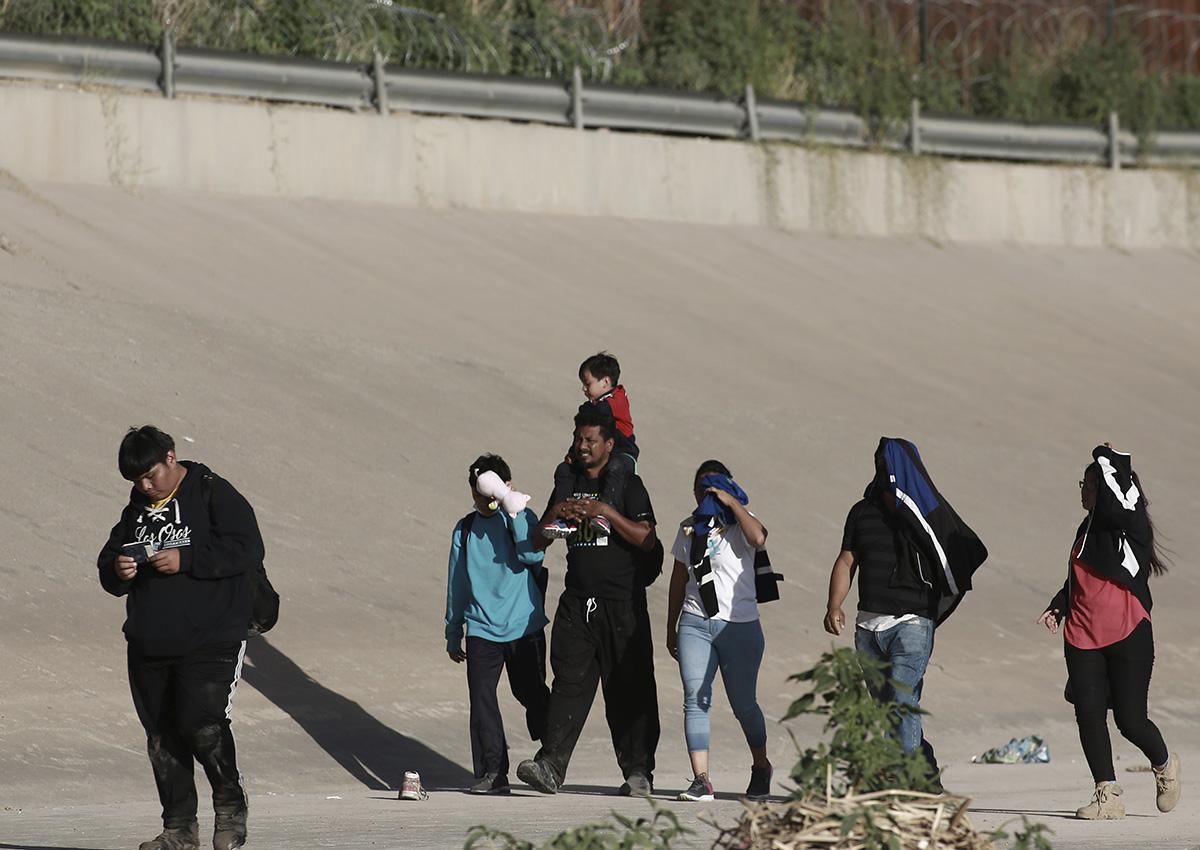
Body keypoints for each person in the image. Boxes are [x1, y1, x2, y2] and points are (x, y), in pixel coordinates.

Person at [98, 426, 262, 850]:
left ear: (170, 457)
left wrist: (185, 559)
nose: (144, 486)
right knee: (162, 738)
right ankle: (178, 830)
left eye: (149, 475)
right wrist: (118, 569)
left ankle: (230, 809)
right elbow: (108, 564)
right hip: (149, 641)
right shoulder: (136, 510)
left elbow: (247, 548)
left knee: (201, 725)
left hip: (212, 636)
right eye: (136, 480)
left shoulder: (213, 492)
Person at [823, 438, 987, 787]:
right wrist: (834, 604)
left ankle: (904, 782)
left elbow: (957, 548)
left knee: (900, 699)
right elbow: (847, 560)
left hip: (912, 622)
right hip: (868, 627)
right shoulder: (861, 512)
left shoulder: (924, 512)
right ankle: (924, 772)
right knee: (889, 709)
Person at [516, 407, 660, 796]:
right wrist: (557, 513)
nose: (582, 446)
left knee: (628, 688)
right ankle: (550, 765)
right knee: (568, 683)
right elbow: (539, 539)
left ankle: (638, 773)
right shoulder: (569, 482)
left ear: (609, 444)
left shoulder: (628, 484)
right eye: (578, 438)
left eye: (590, 440)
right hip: (577, 602)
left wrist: (604, 512)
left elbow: (645, 537)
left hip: (622, 604)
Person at [1038, 444, 1181, 819]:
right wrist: (1059, 604)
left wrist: (1107, 458)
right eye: (1082, 484)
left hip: (1128, 632)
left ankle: (1165, 765)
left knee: (1130, 722)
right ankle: (1108, 795)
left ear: (1105, 489)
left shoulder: (1129, 526)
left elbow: (1120, 505)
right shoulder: (1084, 529)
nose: (1082, 491)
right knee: (1088, 714)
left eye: (1088, 485)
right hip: (1082, 635)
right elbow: (1081, 578)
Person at [666, 460, 773, 803]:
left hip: (739, 625)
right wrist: (671, 627)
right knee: (695, 699)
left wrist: (732, 503)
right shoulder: (688, 528)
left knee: (744, 705)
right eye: (700, 487)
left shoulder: (742, 522)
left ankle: (761, 765)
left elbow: (759, 538)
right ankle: (702, 780)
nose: (706, 493)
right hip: (695, 621)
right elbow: (678, 580)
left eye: (712, 486)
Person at [444, 455, 551, 795]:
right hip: (481, 628)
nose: (482, 499)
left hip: (523, 624)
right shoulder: (465, 529)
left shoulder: (522, 516)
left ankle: (552, 758)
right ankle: (494, 771)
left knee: (531, 693)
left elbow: (532, 555)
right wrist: (453, 630)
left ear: (506, 485)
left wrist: (513, 511)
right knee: (482, 699)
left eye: (488, 491)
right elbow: (457, 583)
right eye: (477, 493)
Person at [543, 352, 639, 539]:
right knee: (565, 470)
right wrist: (572, 453)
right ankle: (564, 517)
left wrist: (585, 410)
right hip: (596, 457)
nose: (584, 389)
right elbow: (584, 432)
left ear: (605, 382)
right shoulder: (597, 404)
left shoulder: (616, 399)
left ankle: (604, 515)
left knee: (615, 468)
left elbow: (595, 412)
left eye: (587, 383)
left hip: (622, 455)